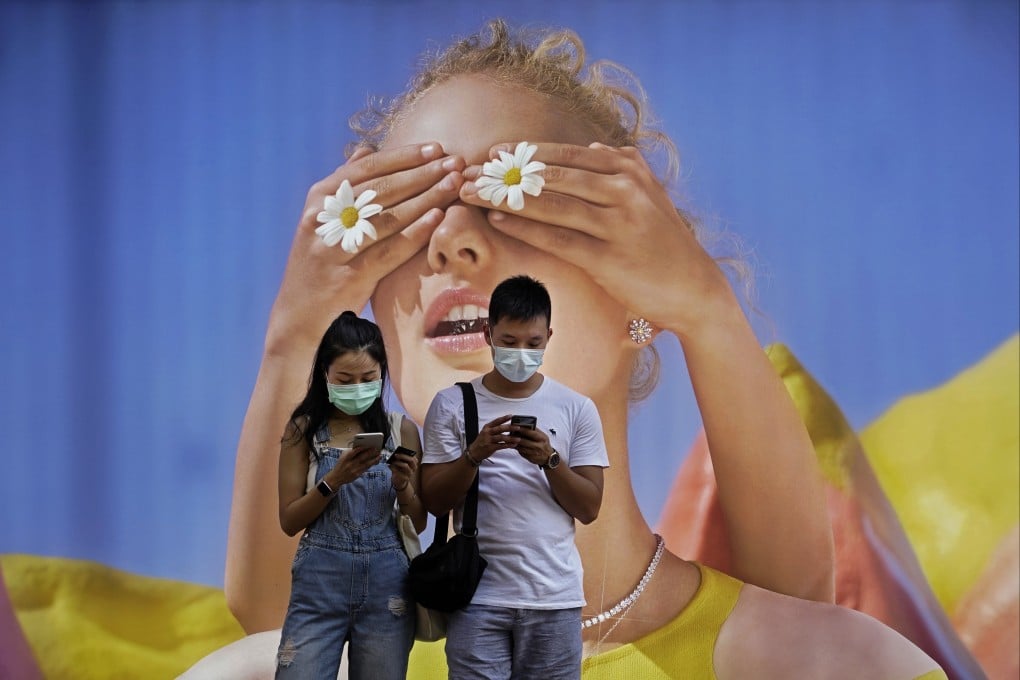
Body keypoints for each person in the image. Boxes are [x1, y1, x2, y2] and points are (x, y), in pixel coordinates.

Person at [208, 18, 950, 679]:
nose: (450, 243)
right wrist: (295, 333)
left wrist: (705, 308)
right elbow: (270, 620)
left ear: (642, 292)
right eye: (405, 222)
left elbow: (797, 601)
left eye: (514, 199)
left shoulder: (843, 664)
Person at [420, 275, 609, 679]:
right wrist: (474, 454)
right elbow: (434, 501)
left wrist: (550, 460)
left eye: (532, 343)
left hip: (554, 600)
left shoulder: (577, 408)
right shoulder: (453, 404)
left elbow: (590, 507)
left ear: (548, 337)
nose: (520, 353)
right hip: (477, 598)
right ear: (488, 334)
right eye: (508, 341)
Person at [273, 311, 426, 679]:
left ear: (381, 375)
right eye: (345, 379)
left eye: (367, 379)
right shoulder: (304, 430)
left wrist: (404, 485)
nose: (357, 388)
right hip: (319, 586)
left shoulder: (400, 431)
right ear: (325, 375)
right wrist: (333, 480)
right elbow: (289, 521)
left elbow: (418, 521)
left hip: (387, 585)